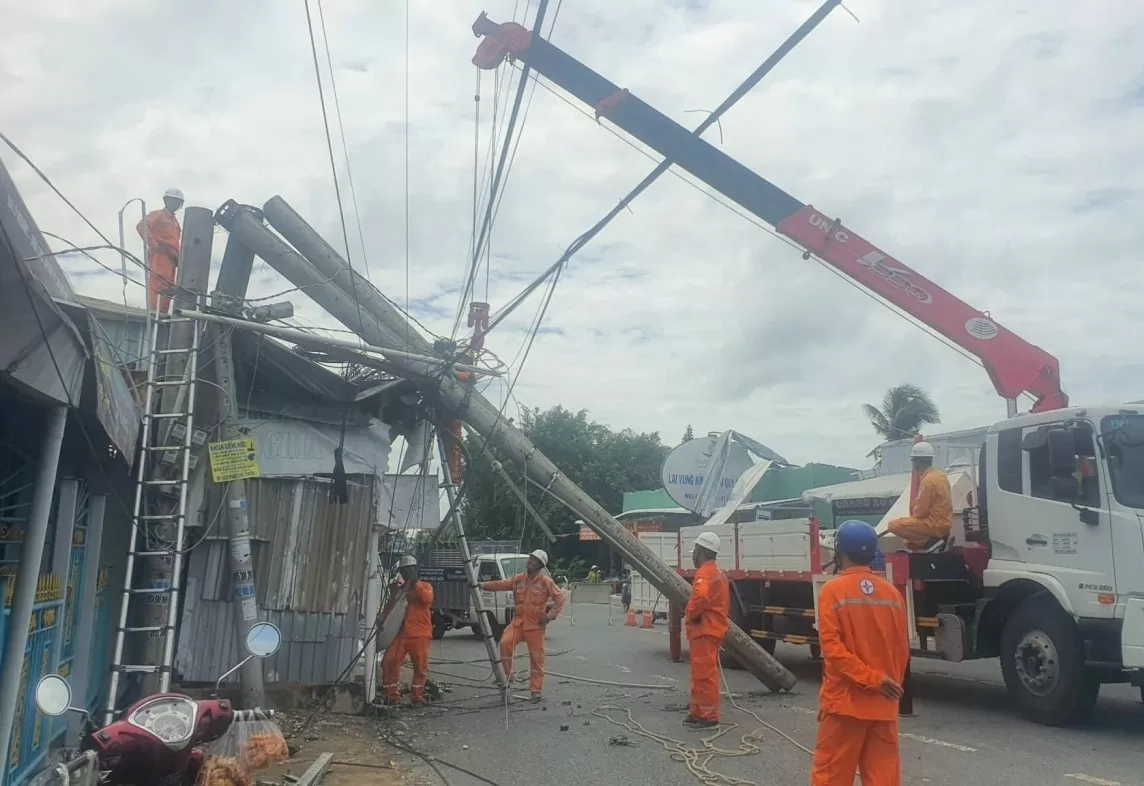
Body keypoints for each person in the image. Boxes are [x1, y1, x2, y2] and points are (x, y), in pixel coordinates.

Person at [812, 520, 909, 786]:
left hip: (846, 705)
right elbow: (901, 650)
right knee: (883, 778)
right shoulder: (892, 594)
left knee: (831, 776)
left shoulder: (831, 591)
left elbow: (832, 649)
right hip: (883, 705)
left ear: (840, 551)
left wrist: (872, 679)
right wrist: (889, 684)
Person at [478, 549, 565, 701]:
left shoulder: (546, 582)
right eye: (530, 558)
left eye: (534, 560)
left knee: (537, 658)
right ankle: (507, 677)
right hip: (518, 622)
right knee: (504, 643)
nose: (530, 561)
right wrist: (482, 585)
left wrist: (549, 616)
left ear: (540, 565)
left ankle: (536, 690)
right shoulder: (519, 579)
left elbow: (560, 598)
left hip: (535, 626)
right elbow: (502, 584)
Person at [684, 530, 729, 730]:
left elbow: (701, 598)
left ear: (702, 550)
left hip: (705, 629)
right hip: (711, 629)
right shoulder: (717, 572)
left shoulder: (704, 573)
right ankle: (697, 712)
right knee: (699, 672)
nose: (693, 553)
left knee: (704, 674)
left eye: (695, 549)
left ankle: (708, 716)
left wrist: (691, 614)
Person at [379, 555, 434, 706]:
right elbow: (389, 609)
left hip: (419, 634)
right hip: (400, 633)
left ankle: (417, 697)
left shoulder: (425, 586)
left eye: (408, 570)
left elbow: (427, 599)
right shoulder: (400, 591)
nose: (405, 573)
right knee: (389, 662)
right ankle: (391, 695)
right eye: (403, 571)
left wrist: (415, 583)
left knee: (420, 667)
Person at [885, 441, 952, 551]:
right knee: (908, 540)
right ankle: (929, 541)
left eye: (913, 460)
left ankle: (930, 541)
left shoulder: (927, 481)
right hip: (944, 524)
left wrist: (914, 506)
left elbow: (920, 512)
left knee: (893, 525)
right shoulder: (941, 476)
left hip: (933, 525)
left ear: (917, 461)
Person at [137, 188, 184, 314]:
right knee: (158, 286)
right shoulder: (158, 215)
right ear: (166, 200)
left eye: (178, 202)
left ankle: (162, 315)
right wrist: (154, 245)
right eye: (173, 200)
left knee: (169, 289)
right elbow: (142, 226)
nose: (176, 204)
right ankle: (153, 314)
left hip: (171, 260)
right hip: (160, 257)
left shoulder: (175, 222)